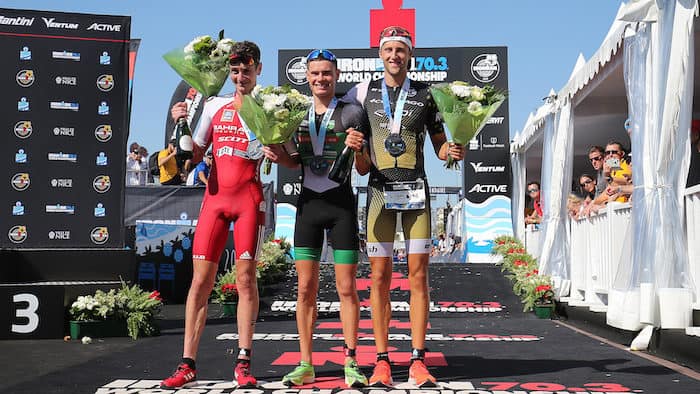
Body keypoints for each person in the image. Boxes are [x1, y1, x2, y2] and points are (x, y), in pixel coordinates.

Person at [343, 25, 465, 388]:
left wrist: (455, 149)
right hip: (379, 193)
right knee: (378, 278)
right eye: (388, 50)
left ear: (410, 55)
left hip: (417, 196)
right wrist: (357, 149)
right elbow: (362, 167)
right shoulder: (365, 96)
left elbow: (442, 149)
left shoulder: (426, 95)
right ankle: (381, 360)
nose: (394, 56)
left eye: (401, 50)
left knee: (418, 277)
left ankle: (417, 360)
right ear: (380, 55)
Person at [160, 41, 265, 389]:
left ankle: (243, 362)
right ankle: (187, 363)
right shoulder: (214, 105)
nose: (240, 77)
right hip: (216, 201)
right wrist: (181, 125)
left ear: (257, 71)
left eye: (246, 71)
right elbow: (194, 154)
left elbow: (283, 152)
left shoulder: (267, 106)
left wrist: (276, 148)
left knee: (246, 281)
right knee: (200, 283)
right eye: (234, 72)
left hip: (249, 200)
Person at [262, 48, 369, 388]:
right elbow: (295, 161)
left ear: (336, 76)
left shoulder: (352, 111)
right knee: (305, 288)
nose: (321, 79)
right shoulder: (295, 112)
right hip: (307, 206)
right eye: (315, 73)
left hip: (341, 207)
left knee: (346, 288)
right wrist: (276, 154)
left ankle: (351, 361)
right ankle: (306, 362)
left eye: (327, 73)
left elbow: (364, 168)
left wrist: (360, 148)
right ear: (306, 77)